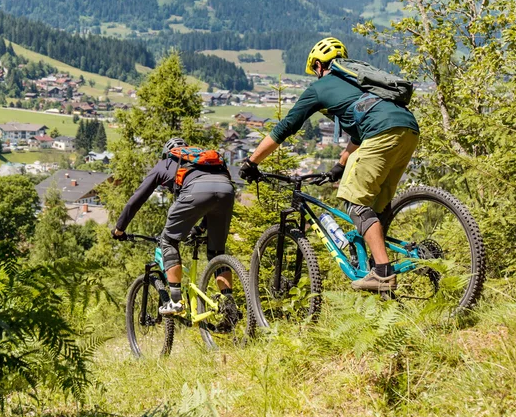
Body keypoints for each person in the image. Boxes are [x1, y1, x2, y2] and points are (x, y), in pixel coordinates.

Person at [238, 38, 419, 292]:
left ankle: (382, 273)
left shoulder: (321, 87)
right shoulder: (359, 82)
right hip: (408, 129)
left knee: (355, 203)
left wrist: (252, 161)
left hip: (381, 132)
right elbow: (359, 135)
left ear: (318, 65)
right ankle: (395, 264)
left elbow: (285, 127)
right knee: (377, 205)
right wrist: (339, 166)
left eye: (315, 69)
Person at [113, 137, 236, 315]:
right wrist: (202, 227)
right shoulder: (206, 160)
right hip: (227, 191)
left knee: (168, 240)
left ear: (167, 153)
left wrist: (120, 228)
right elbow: (215, 195)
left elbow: (137, 198)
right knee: (216, 252)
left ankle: (176, 301)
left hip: (195, 192)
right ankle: (229, 305)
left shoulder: (166, 163)